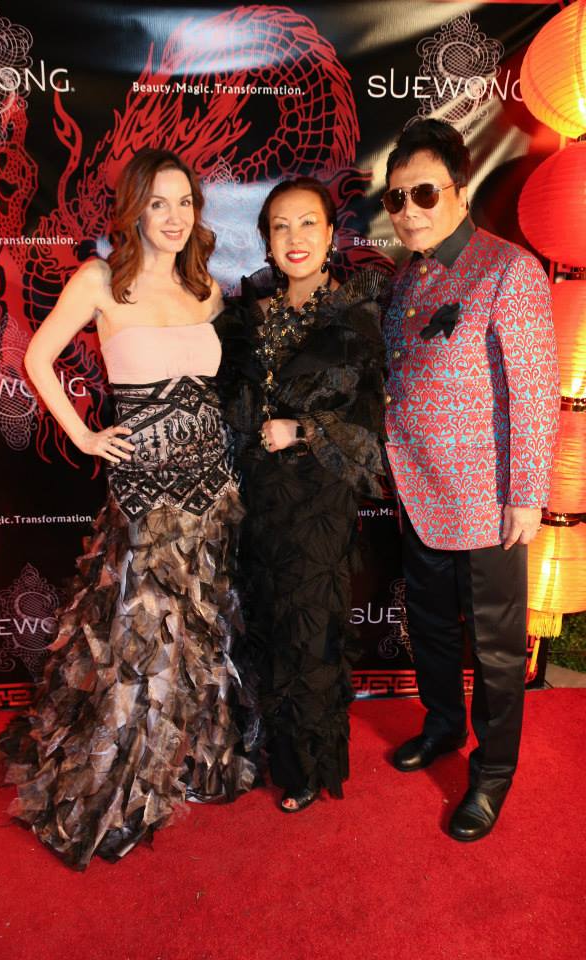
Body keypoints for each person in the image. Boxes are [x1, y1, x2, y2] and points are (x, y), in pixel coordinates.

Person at [0, 148, 257, 869]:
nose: (174, 218)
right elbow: (36, 356)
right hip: (144, 489)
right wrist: (82, 433)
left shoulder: (206, 290)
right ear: (134, 209)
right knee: (137, 634)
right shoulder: (100, 280)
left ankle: (182, 761)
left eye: (185, 203)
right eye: (159, 204)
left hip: (209, 483)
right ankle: (123, 781)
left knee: (197, 628)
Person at [381, 119, 559, 841]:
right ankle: (443, 728)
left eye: (424, 192)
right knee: (427, 629)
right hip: (416, 491)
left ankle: (492, 776)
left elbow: (534, 388)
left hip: (488, 503)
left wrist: (526, 494)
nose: (410, 209)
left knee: (492, 645)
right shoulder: (407, 275)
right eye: (397, 198)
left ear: (459, 191)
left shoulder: (507, 269)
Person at [215, 177, 387, 813]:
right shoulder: (247, 316)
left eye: (307, 224)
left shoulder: (356, 316)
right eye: (281, 226)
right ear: (265, 239)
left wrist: (304, 428)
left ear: (331, 234)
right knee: (262, 620)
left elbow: (370, 423)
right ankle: (269, 744)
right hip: (258, 498)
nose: (295, 239)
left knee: (309, 630)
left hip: (319, 499)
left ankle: (309, 766)